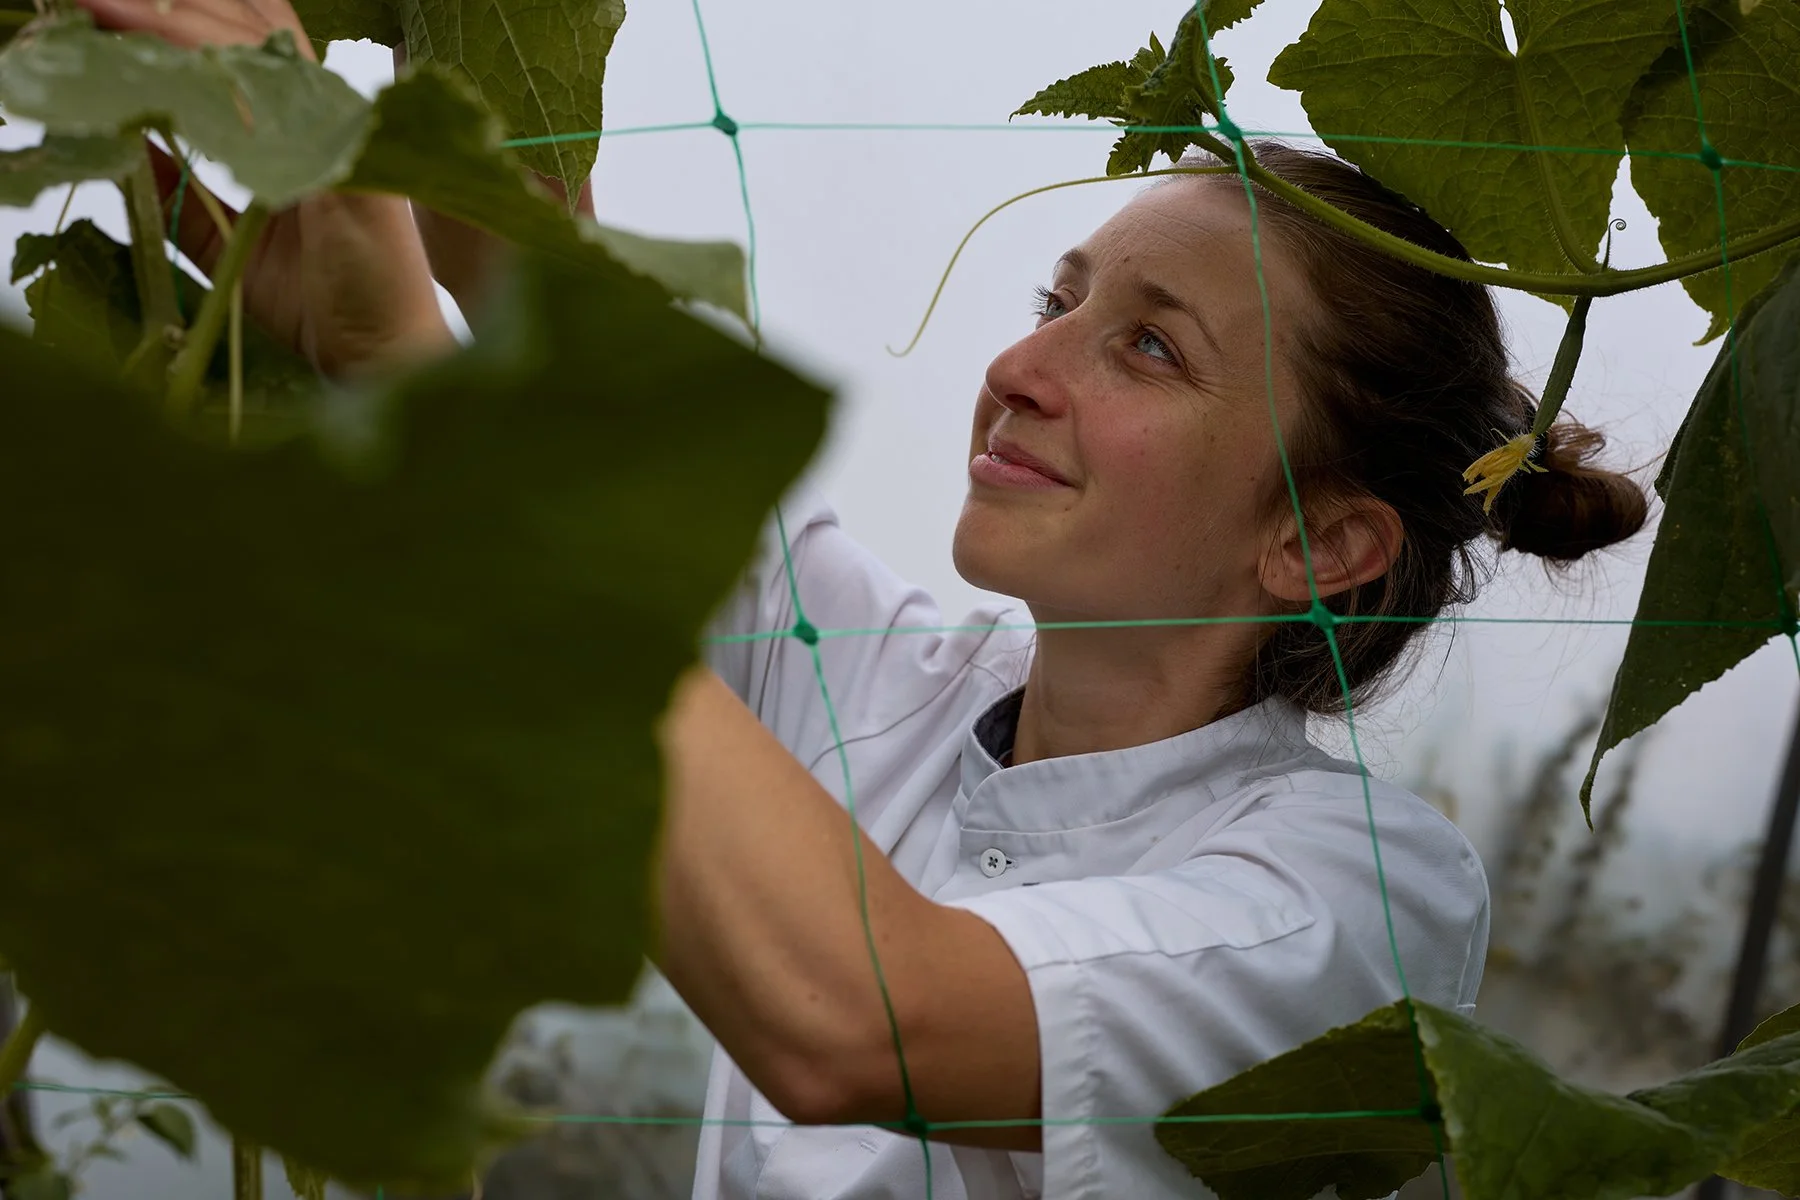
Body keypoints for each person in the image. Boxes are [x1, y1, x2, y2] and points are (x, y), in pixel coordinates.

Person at [67, 1, 1651, 1197]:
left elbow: (854, 1020)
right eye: (1060, 303)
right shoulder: (897, 675)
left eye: (1149, 346)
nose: (1021, 372)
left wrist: (395, 356)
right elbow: (573, 368)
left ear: (1319, 544)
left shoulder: (1359, 895)